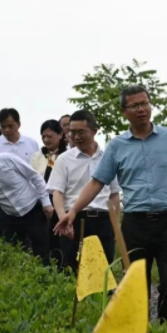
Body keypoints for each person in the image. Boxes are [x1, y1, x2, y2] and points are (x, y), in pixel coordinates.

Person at [55, 86, 167, 323]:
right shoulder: (117, 146)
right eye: (134, 105)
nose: (141, 109)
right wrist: (73, 211)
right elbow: (97, 182)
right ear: (123, 111)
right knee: (136, 285)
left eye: (144, 103)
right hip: (135, 224)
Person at [47, 110, 120, 273]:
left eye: (81, 132)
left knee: (103, 273)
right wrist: (63, 218)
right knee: (72, 271)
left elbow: (114, 194)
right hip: (74, 220)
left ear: (94, 131)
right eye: (72, 132)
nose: (76, 137)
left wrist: (115, 226)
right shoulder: (64, 159)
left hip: (103, 221)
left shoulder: (108, 158)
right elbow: (57, 192)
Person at [0, 109, 39, 239]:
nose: (6, 130)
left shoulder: (32, 144)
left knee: (26, 239)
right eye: (3, 127)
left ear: (19, 124)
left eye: (10, 126)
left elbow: (37, 173)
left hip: (26, 200)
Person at [31, 120, 68, 268]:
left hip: (62, 202)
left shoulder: (68, 155)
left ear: (60, 135)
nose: (46, 140)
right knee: (42, 239)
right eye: (43, 136)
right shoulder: (37, 156)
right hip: (41, 203)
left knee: (60, 239)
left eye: (50, 136)